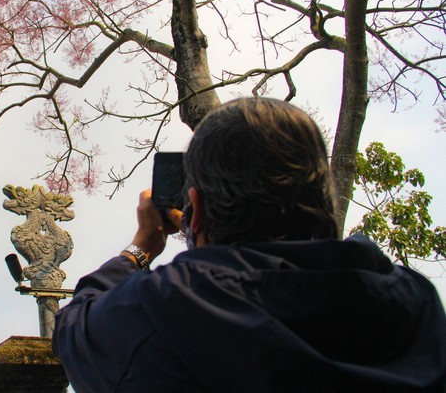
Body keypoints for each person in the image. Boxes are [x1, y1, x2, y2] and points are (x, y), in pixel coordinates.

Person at [52, 97, 446, 392]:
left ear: (198, 207)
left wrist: (142, 247)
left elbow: (73, 329)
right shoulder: (415, 302)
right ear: (324, 196)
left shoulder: (172, 305)